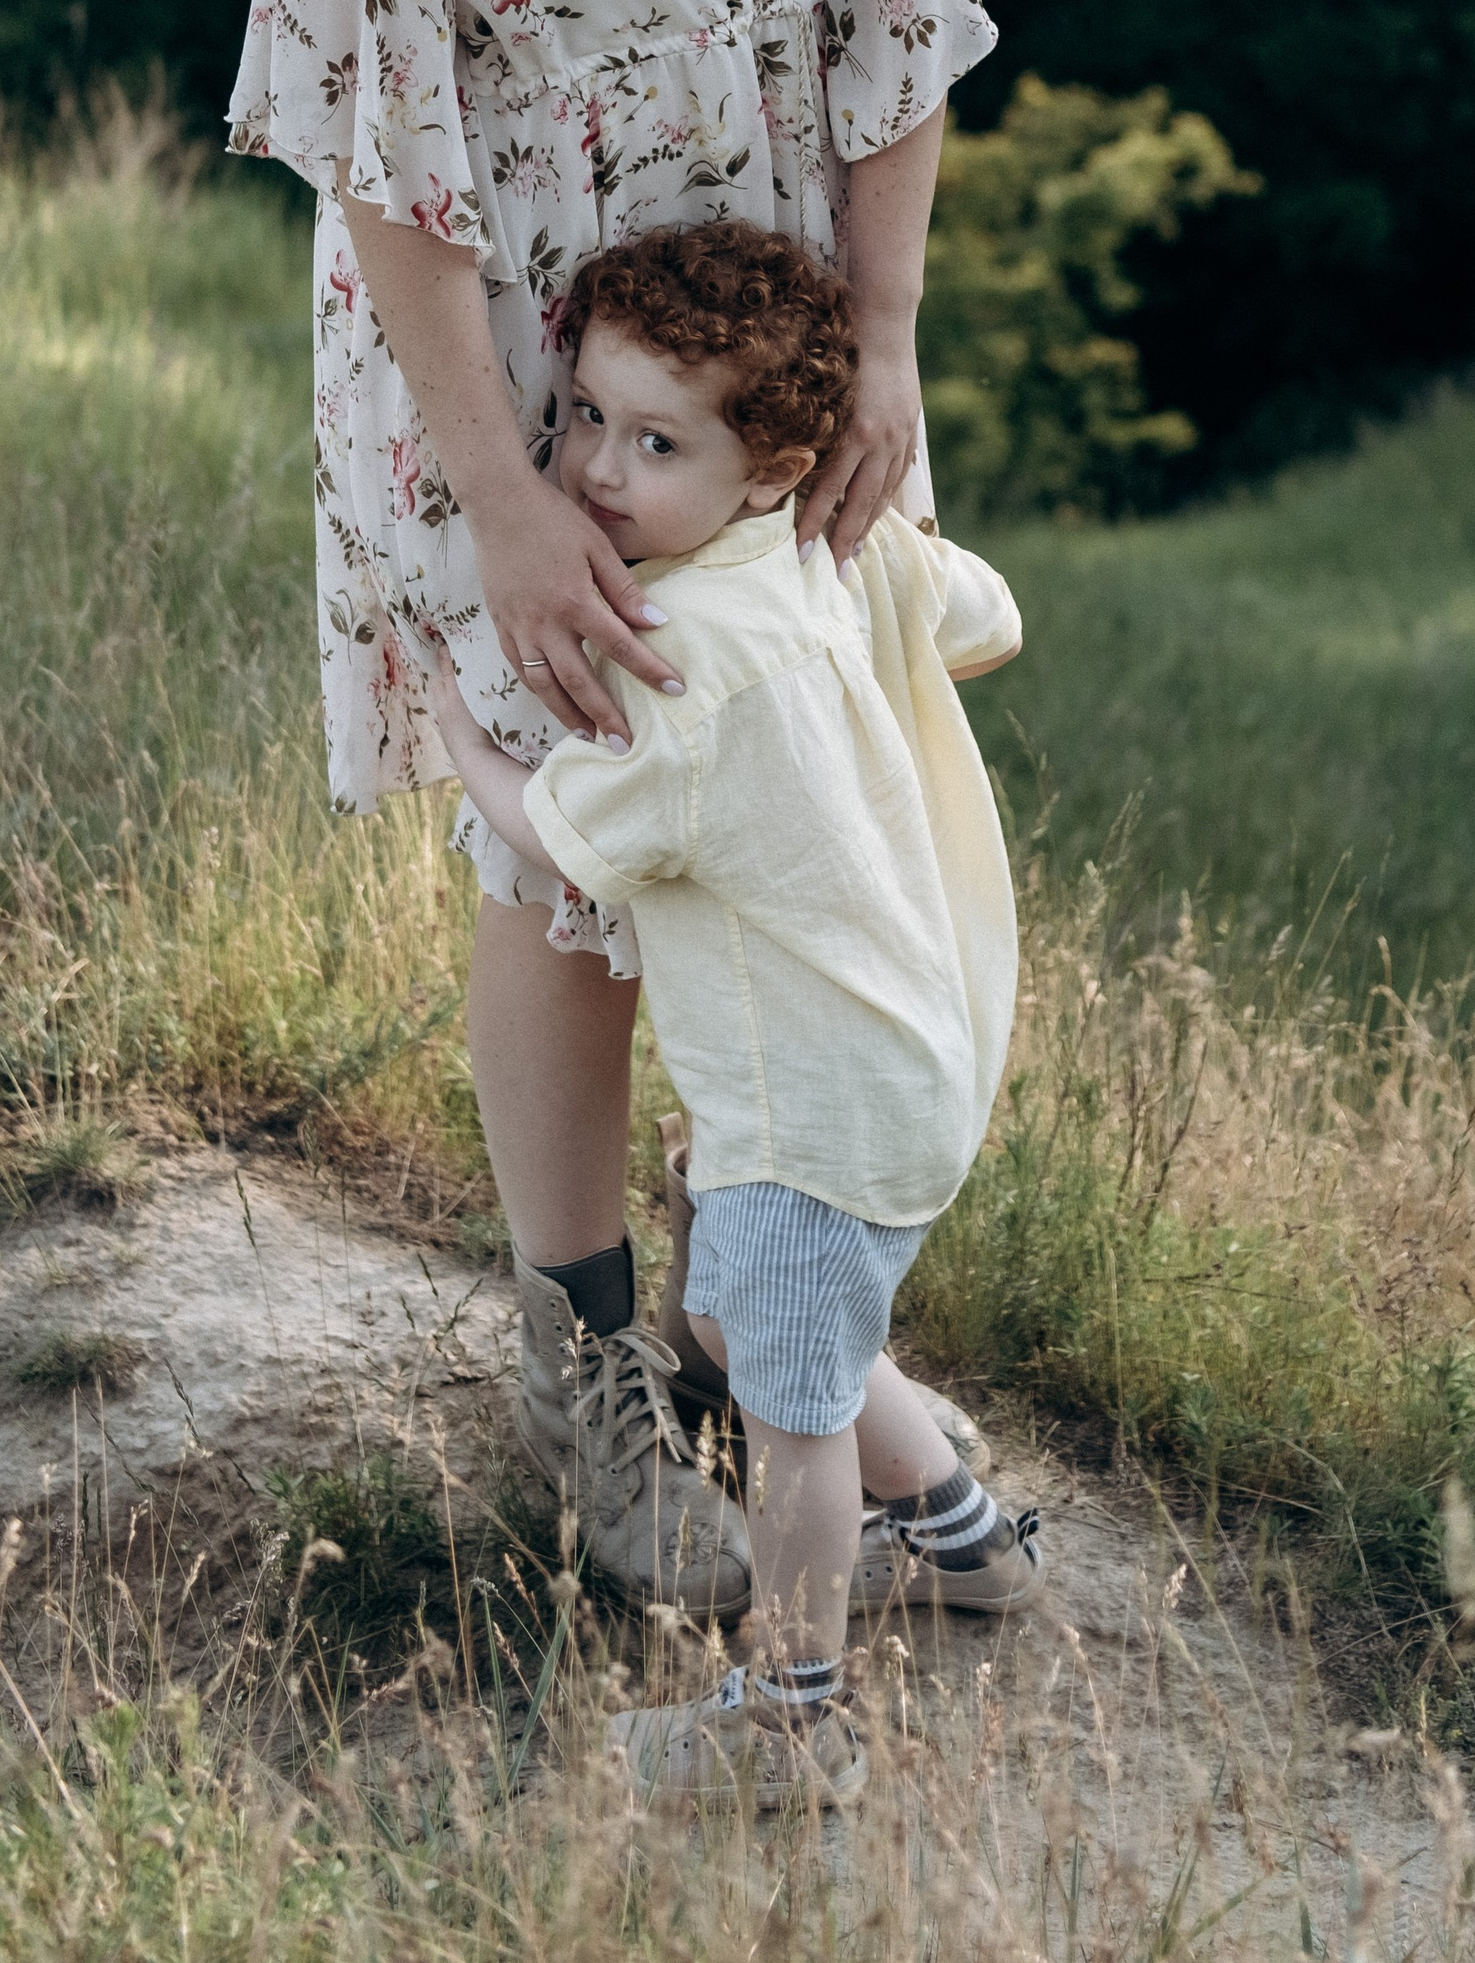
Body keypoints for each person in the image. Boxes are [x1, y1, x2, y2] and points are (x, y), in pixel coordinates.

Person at [227, 0, 1021, 1618]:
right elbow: (357, 69)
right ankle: (585, 1371)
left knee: (790, 790)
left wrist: (877, 331)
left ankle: (783, 1333)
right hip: (505, 336)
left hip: (760, 311)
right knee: (570, 848)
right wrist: (493, 488)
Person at [423, 224, 1040, 1813]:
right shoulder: (833, 549)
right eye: (586, 418)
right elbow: (987, 613)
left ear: (771, 462)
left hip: (815, 1119)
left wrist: (460, 736)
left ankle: (793, 1714)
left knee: (792, 1418)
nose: (600, 470)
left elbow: (566, 836)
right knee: (770, 1326)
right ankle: (967, 1545)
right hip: (904, 1066)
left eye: (656, 441)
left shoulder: (686, 661)